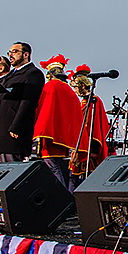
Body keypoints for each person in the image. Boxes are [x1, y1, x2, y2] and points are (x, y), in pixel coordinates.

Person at [0, 42, 45, 163]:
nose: (11, 55)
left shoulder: (33, 73)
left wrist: (17, 126)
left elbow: (28, 102)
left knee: (11, 167)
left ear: (26, 54)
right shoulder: (9, 75)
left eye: (15, 52)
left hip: (13, 128)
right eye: (9, 52)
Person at [32, 54, 84, 189]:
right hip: (65, 138)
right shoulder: (70, 91)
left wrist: (38, 132)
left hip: (49, 136)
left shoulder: (50, 87)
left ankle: (62, 197)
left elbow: (42, 110)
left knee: (52, 169)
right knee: (62, 169)